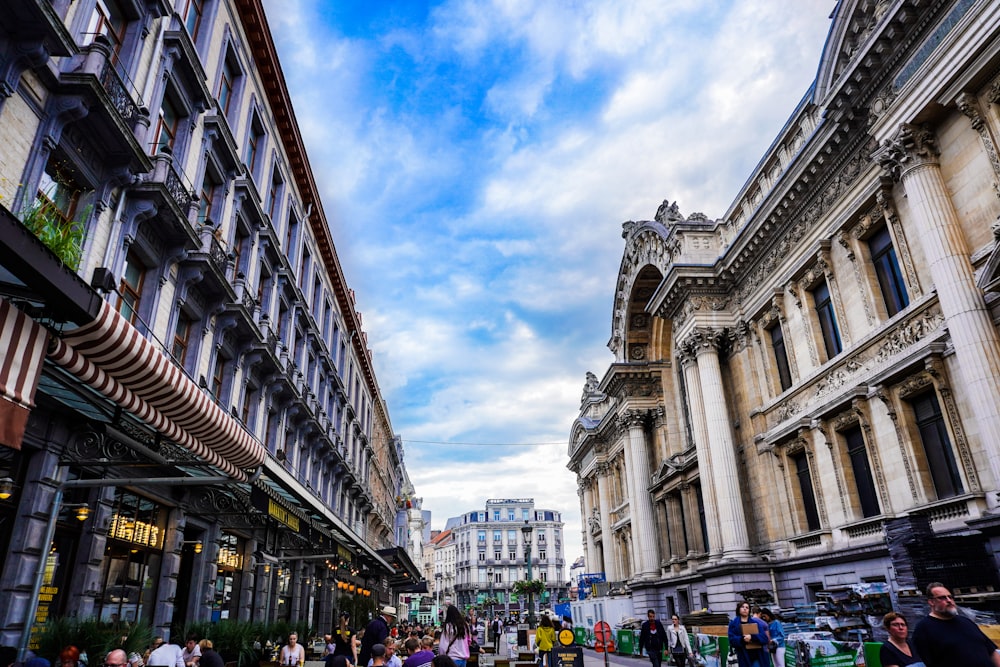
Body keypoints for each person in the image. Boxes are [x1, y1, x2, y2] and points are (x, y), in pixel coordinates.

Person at [912, 582, 1000, 667]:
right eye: (942, 598)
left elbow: (991, 651)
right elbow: (925, 661)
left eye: (950, 597)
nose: (949, 600)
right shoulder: (923, 629)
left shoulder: (966, 622)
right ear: (931, 602)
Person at [728, 601, 770, 667]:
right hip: (741, 657)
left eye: (747, 607)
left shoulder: (756, 623)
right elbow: (731, 639)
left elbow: (764, 638)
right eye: (742, 607)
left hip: (757, 656)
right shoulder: (733, 624)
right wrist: (742, 639)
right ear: (738, 609)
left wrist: (752, 637)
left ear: (749, 610)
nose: (745, 609)